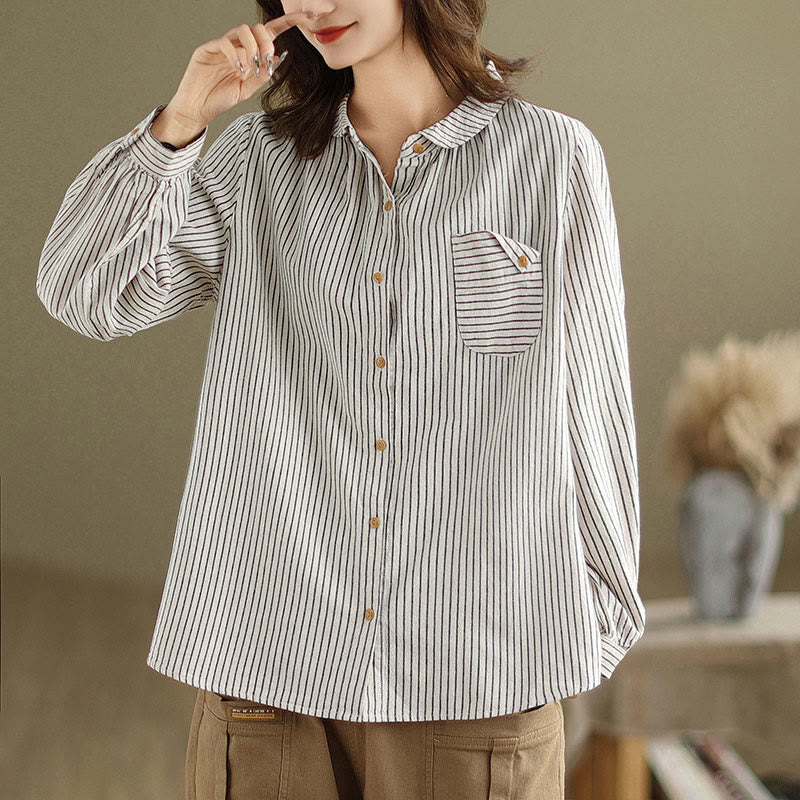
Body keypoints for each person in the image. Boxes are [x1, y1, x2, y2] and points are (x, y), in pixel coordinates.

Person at [36, 0, 646, 797]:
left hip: (477, 677)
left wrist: (593, 624)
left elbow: (592, 403)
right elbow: (87, 293)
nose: (314, 4)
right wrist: (179, 124)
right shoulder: (256, 162)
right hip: (268, 668)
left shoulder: (552, 159)